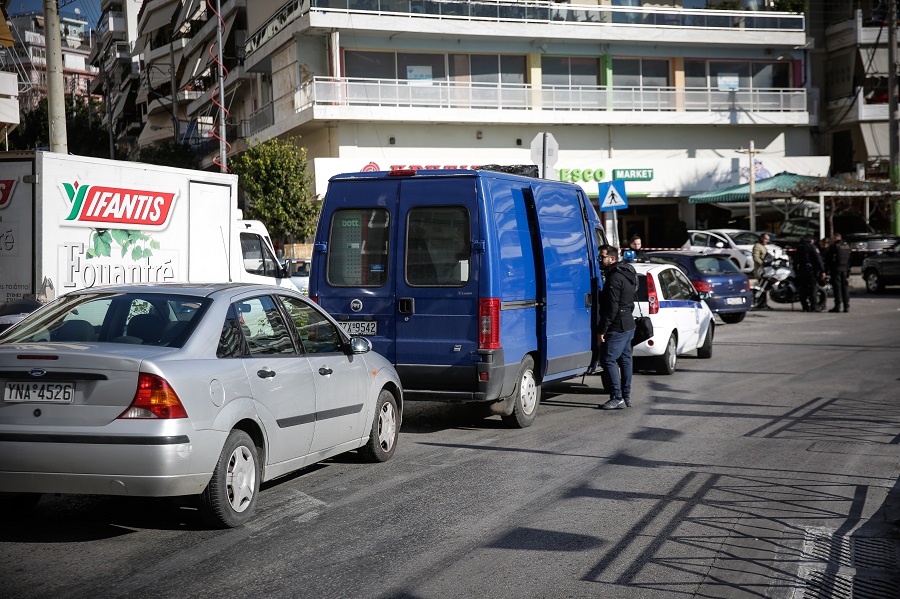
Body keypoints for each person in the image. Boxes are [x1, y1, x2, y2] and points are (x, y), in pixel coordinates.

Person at [597, 245, 637, 410]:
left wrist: (602, 330)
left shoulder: (614, 278)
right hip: (628, 323)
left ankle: (617, 397)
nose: (600, 260)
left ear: (612, 259)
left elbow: (611, 308)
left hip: (618, 326)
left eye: (602, 257)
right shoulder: (626, 274)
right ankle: (626, 396)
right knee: (625, 360)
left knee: (608, 360)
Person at [794, 235, 825, 312]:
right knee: (813, 288)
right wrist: (822, 270)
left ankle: (805, 306)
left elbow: (795, 260)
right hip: (811, 270)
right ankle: (814, 307)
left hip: (802, 270)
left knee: (803, 289)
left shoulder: (800, 247)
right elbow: (818, 259)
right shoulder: (812, 247)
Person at [825, 233, 851, 312]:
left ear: (836, 238)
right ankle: (846, 306)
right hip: (845, 269)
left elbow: (829, 258)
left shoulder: (834, 246)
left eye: (833, 238)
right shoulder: (847, 245)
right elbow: (850, 258)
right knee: (845, 288)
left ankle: (838, 305)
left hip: (836, 269)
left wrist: (828, 269)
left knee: (837, 288)